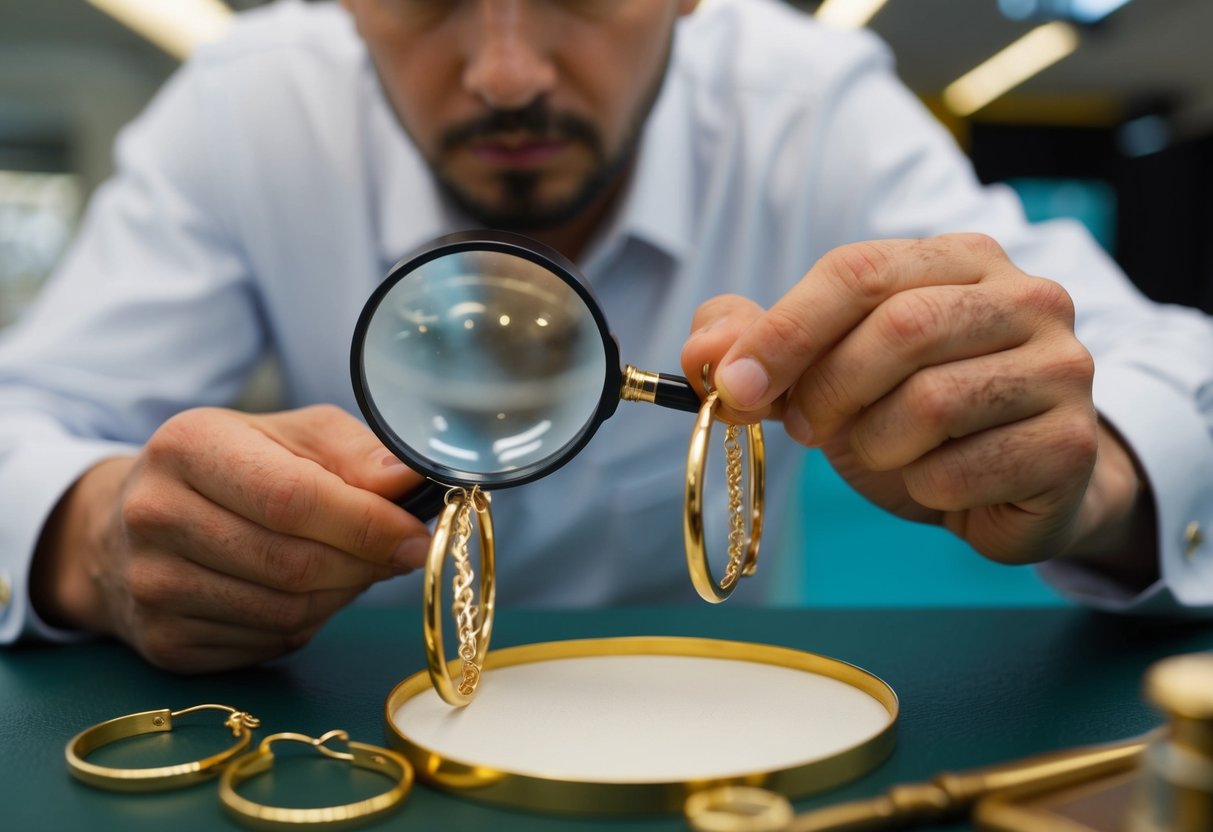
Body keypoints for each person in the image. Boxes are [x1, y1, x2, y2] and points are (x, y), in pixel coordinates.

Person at [1, 0, 1211, 674]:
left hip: (723, 736)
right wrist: (89, 533)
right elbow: (25, 424)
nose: (506, 74)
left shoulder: (814, 103)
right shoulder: (244, 111)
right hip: (368, 734)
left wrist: (1097, 471)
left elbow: (1172, 374)